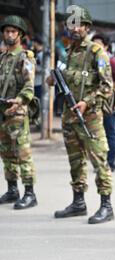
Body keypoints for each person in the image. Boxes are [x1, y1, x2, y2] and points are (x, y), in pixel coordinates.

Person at [47, 5, 115, 224]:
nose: (75, 29)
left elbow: (107, 86)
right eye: (71, 25)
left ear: (87, 27)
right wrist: (53, 80)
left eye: (79, 25)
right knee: (75, 161)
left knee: (99, 161)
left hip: (91, 118)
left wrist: (87, 102)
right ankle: (78, 202)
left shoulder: (96, 52)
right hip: (70, 116)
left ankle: (106, 205)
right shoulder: (68, 52)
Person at [0, 15, 38, 210]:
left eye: (13, 31)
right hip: (2, 112)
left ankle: (30, 193)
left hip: (17, 111)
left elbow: (29, 86)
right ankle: (12, 189)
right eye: (7, 31)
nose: (9, 34)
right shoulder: (2, 58)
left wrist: (20, 101)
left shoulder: (26, 57)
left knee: (22, 153)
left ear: (20, 34)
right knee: (6, 153)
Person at [92, 33, 115, 171]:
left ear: (105, 45)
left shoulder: (109, 58)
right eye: (94, 43)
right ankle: (105, 160)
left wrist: (113, 87)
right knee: (99, 133)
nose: (96, 46)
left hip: (109, 102)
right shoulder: (95, 58)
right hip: (97, 101)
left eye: (99, 43)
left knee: (110, 132)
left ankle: (111, 161)